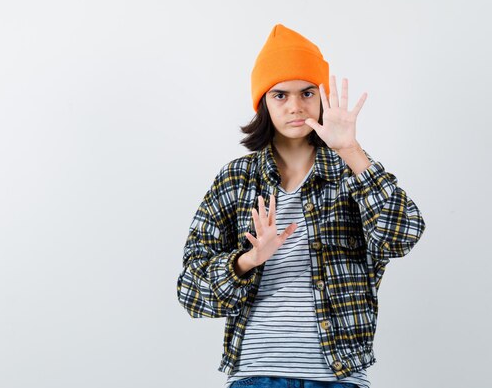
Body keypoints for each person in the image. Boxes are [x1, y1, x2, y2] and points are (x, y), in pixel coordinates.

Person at [176, 23, 426, 388]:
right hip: (256, 374)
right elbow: (191, 292)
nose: (295, 106)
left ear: (321, 97)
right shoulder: (236, 179)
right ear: (263, 102)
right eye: (280, 95)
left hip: (338, 376)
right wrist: (247, 259)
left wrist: (350, 151)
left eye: (307, 92)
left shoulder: (350, 170)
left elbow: (402, 237)